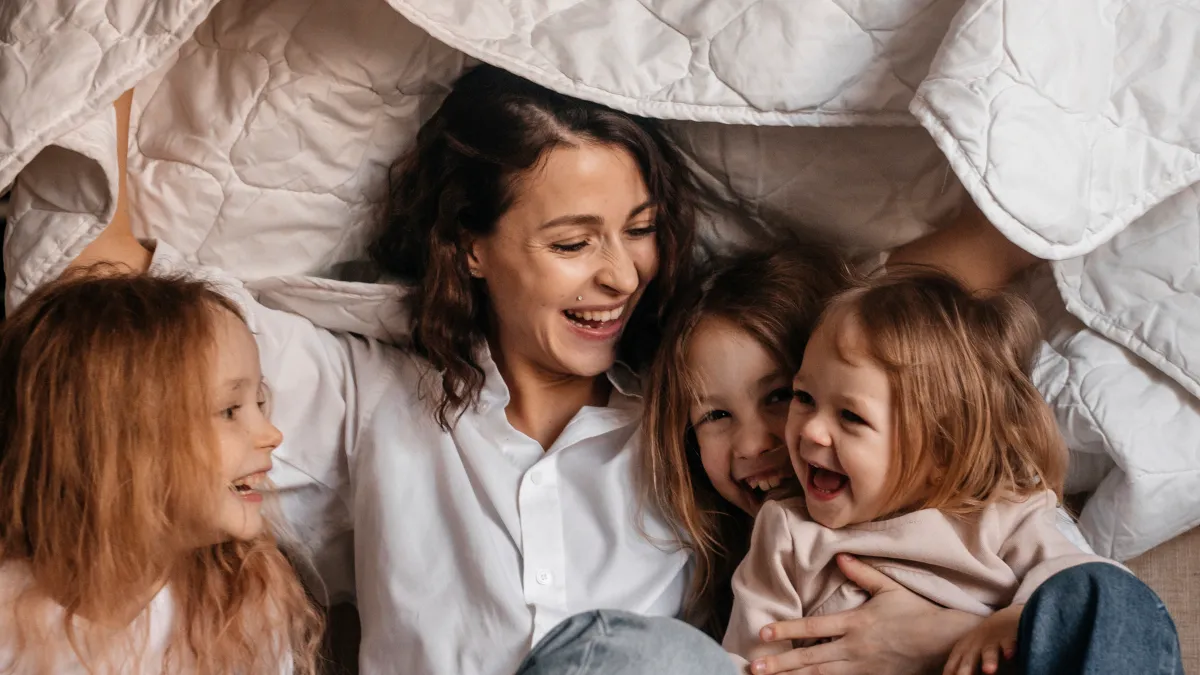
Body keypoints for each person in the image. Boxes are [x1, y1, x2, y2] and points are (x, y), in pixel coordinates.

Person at [69, 65, 1064, 675]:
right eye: (572, 240)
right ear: (472, 246)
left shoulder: (704, 410)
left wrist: (933, 640)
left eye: (638, 232)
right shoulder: (374, 398)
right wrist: (116, 71)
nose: (620, 272)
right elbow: (126, 325)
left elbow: (918, 305)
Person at [0, 273, 322, 674]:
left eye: (259, 402)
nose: (271, 435)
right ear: (117, 441)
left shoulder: (246, 603)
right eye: (229, 411)